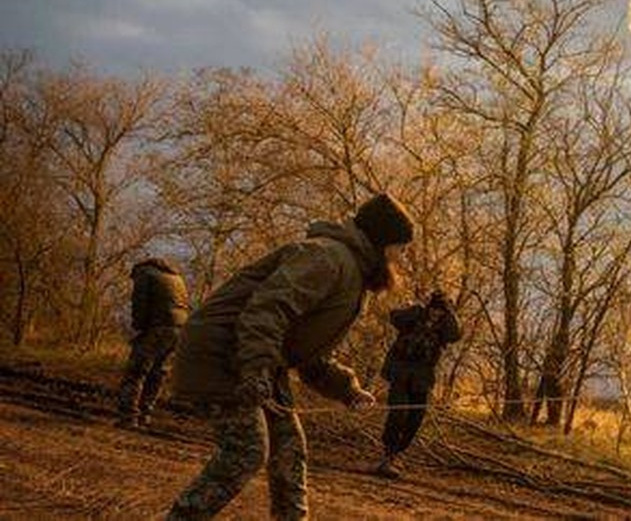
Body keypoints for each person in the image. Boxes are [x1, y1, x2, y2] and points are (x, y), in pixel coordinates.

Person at [165, 193, 414, 521]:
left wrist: (346, 388)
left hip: (259, 359)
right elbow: (266, 310)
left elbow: (310, 355)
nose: (402, 257)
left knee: (289, 451)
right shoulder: (326, 258)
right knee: (247, 450)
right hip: (224, 353)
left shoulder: (351, 273)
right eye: (401, 247)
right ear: (382, 242)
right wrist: (255, 370)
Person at [376, 289, 462, 478]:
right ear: (429, 307)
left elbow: (456, 335)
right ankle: (388, 455)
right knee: (398, 412)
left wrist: (451, 312)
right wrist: (416, 308)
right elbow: (394, 317)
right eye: (434, 308)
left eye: (441, 310)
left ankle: (397, 453)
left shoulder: (444, 327)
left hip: (422, 378)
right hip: (400, 371)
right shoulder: (415, 315)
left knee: (416, 417)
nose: (436, 313)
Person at [117, 257, 191, 427]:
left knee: (136, 372)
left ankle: (128, 417)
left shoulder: (144, 273)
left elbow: (139, 303)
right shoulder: (176, 277)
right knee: (158, 374)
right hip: (179, 330)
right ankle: (145, 415)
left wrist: (139, 327)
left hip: (158, 329)